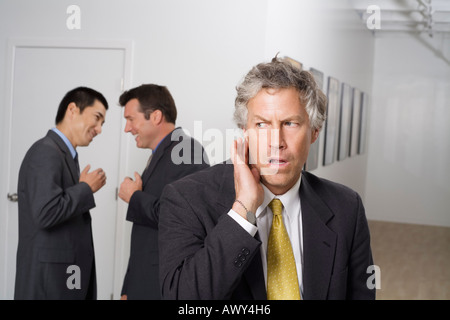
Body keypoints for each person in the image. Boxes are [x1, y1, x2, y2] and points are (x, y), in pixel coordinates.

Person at [158, 56, 376, 300]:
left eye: (290, 123)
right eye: (262, 125)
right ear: (245, 131)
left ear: (314, 132)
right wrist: (243, 210)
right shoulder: (188, 199)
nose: (276, 142)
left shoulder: (347, 207)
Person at [15, 87, 108, 300]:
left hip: (62, 280)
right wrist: (85, 188)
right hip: (49, 283)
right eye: (97, 118)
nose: (99, 128)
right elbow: (46, 212)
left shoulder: (65, 155)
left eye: (103, 123)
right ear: (73, 109)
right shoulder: (46, 152)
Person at [118, 84, 209, 300]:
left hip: (162, 286)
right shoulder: (160, 155)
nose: (127, 128)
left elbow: (185, 217)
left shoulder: (187, 151)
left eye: (131, 119)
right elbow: (145, 235)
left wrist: (134, 198)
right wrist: (127, 287)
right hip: (143, 284)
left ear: (156, 116)